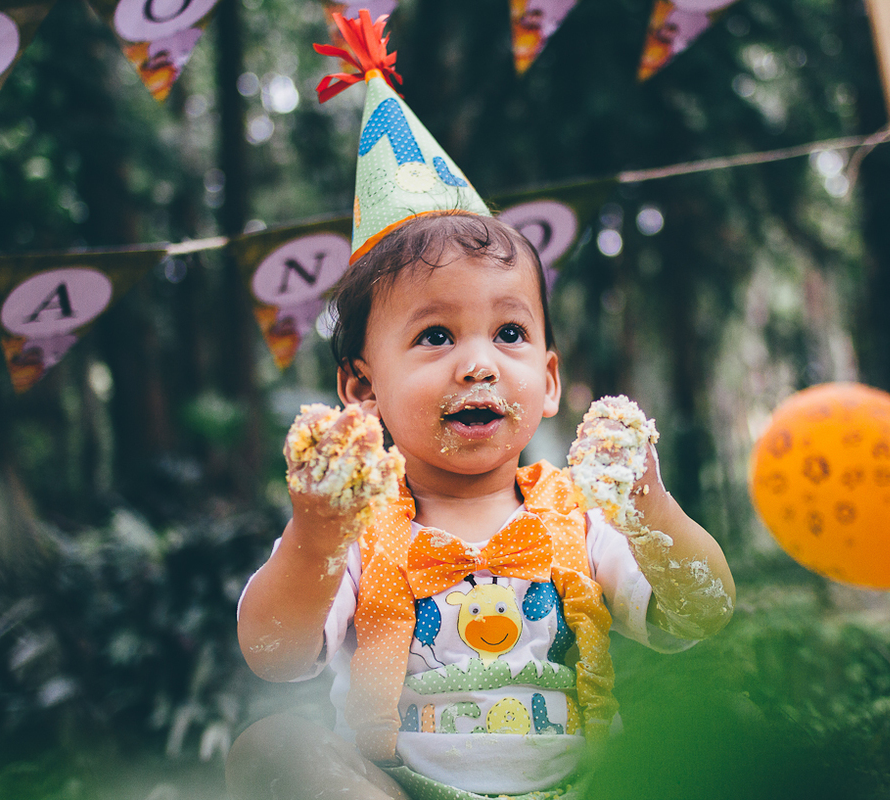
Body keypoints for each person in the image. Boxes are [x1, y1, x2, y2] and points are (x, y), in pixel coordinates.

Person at [226, 13, 734, 800]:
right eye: (435, 335)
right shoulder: (353, 533)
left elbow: (700, 614)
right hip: (398, 788)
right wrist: (315, 534)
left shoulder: (580, 518)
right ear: (362, 390)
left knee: (709, 734)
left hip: (583, 785)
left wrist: (647, 507)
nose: (478, 363)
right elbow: (274, 655)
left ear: (550, 379)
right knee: (271, 748)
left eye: (510, 333)